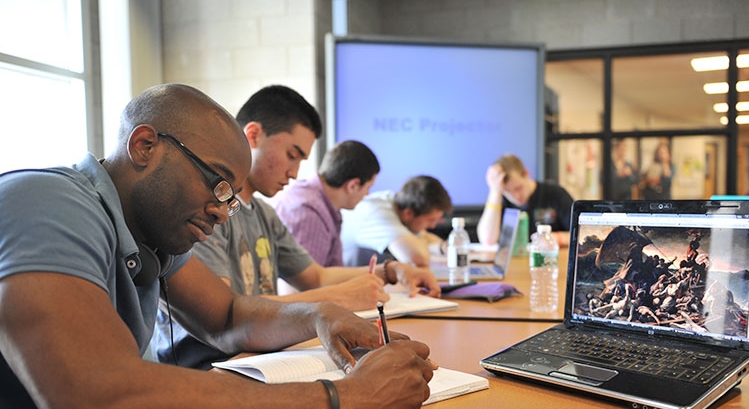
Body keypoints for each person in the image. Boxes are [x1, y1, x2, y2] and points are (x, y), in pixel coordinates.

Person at [0, 84, 434, 408]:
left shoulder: (151, 234)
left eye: (232, 196)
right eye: (218, 183)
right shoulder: (46, 203)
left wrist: (319, 315)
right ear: (144, 145)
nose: (224, 210)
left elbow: (226, 316)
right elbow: (98, 394)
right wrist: (346, 397)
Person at [154, 86, 440, 370]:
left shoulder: (265, 214)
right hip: (213, 366)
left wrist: (388, 271)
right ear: (253, 135)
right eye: (292, 155)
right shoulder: (208, 210)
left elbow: (315, 276)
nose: (294, 173)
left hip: (261, 354)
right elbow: (227, 312)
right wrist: (335, 299)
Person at [273, 140, 379, 268]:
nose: (367, 194)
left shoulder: (319, 203)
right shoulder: (309, 213)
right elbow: (306, 286)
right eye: (368, 187)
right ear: (353, 185)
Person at [341, 175, 452, 268]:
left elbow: (424, 236)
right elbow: (418, 259)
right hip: (345, 285)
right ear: (408, 213)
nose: (433, 226)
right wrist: (422, 243)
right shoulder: (378, 214)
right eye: (430, 220)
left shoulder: (395, 203)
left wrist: (442, 246)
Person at [477, 153, 572, 247]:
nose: (516, 196)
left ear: (526, 173)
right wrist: (495, 191)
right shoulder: (500, 199)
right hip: (516, 261)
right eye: (508, 192)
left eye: (518, 188)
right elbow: (487, 240)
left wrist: (555, 238)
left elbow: (581, 234)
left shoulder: (555, 193)